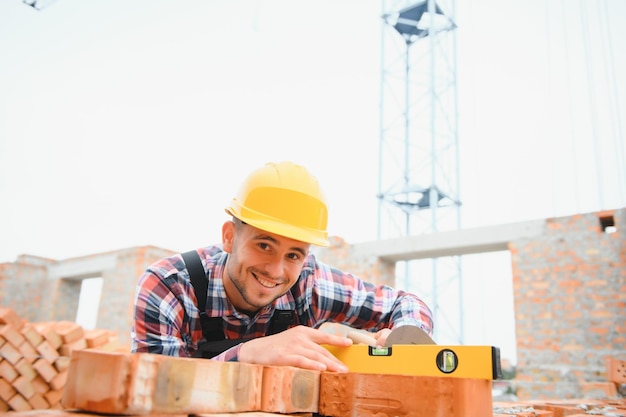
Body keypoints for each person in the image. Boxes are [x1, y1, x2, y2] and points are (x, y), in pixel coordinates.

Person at [131, 161, 433, 373]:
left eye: (293, 255)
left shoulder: (309, 286)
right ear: (229, 236)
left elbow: (405, 303)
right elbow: (153, 390)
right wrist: (248, 354)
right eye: (264, 245)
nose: (275, 271)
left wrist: (403, 339)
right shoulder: (169, 286)